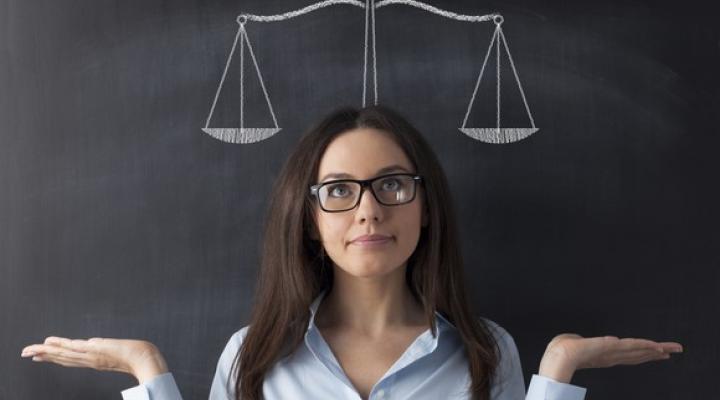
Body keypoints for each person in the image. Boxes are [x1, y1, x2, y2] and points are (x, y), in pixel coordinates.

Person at [21, 105, 683, 400]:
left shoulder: (486, 353)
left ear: (425, 206)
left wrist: (558, 372)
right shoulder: (253, 357)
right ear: (309, 219)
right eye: (339, 190)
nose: (369, 209)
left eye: (392, 185)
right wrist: (147, 370)